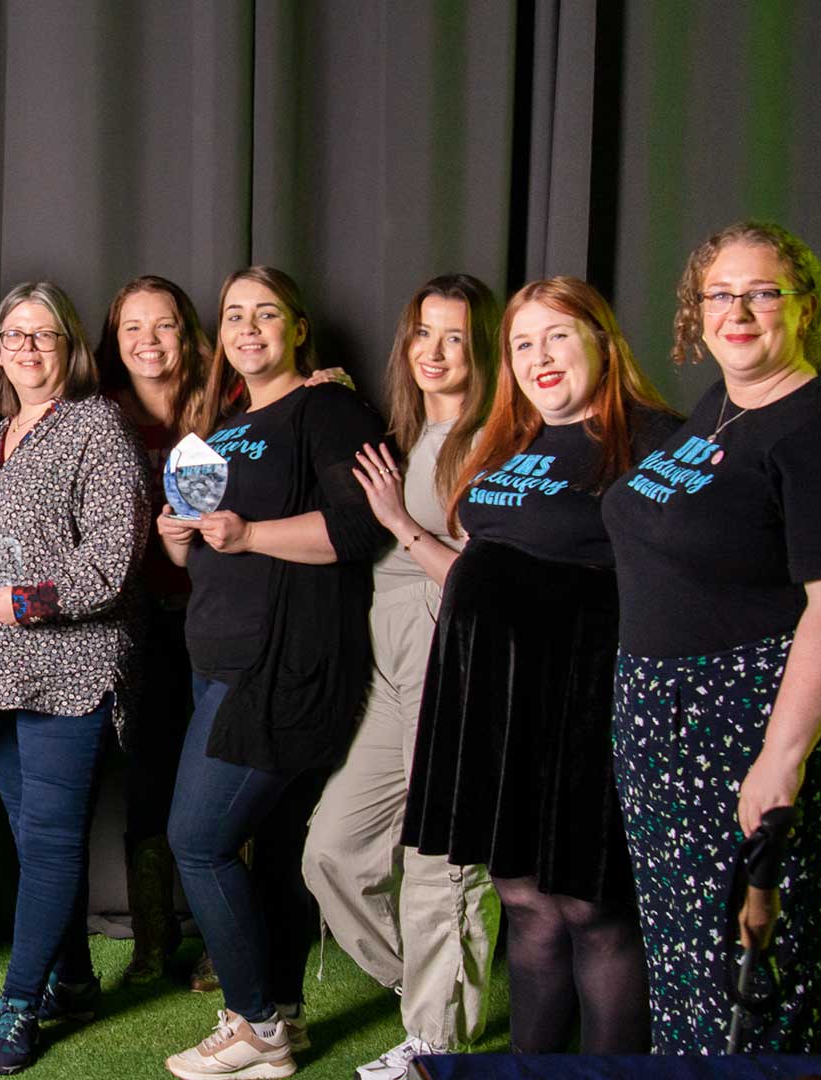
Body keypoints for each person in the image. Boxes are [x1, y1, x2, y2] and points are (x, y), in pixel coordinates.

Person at [604, 221, 821, 1053]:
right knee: (688, 963)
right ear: (697, 312)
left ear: (804, 310)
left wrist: (780, 757)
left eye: (763, 291)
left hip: (753, 731)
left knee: (756, 978)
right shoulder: (722, 408)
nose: (740, 309)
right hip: (671, 735)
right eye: (721, 293)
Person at [402, 276, 679, 1055]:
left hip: (585, 700)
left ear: (602, 340)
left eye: (558, 335)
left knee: (590, 907)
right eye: (522, 343)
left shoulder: (657, 440)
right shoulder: (511, 438)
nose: (538, 357)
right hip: (494, 699)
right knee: (522, 898)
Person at [155, 266, 386, 1080]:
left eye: (266, 314)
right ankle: (281, 1007)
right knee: (276, 846)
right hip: (218, 661)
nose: (249, 328)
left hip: (284, 665)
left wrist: (247, 534)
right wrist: (181, 538)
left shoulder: (329, 408)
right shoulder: (224, 425)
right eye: (235, 316)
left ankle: (253, 1026)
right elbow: (214, 540)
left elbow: (359, 530)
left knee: (198, 841)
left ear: (296, 326)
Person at [300, 275, 503, 1078]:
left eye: (455, 337)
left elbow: (486, 585)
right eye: (424, 333)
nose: (436, 352)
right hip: (387, 666)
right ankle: (427, 985)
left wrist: (400, 524)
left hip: (454, 658)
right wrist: (332, 391)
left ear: (483, 349)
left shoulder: (495, 446)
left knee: (440, 860)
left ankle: (438, 1043)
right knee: (332, 852)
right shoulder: (406, 432)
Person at [0, 281, 148, 1075]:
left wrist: (32, 599)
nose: (27, 349)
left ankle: (18, 1002)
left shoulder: (97, 425)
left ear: (69, 347)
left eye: (44, 336)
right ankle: (72, 976)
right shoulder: (1, 430)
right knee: (34, 843)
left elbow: (113, 559)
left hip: (71, 668)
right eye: (13, 336)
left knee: (48, 841)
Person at [92, 275, 212, 985]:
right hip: (138, 625)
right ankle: (153, 940)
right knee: (147, 781)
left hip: (218, 620)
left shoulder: (228, 406)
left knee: (222, 777)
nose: (148, 341)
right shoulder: (100, 418)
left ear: (187, 333)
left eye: (163, 325)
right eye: (132, 327)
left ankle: (224, 941)